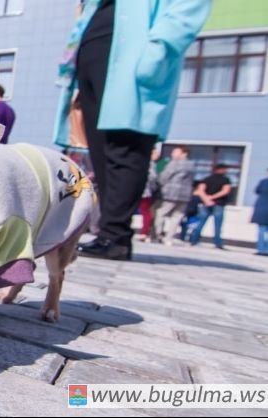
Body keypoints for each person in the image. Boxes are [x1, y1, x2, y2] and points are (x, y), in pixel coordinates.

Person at [53, 0, 211, 260]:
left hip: (135, 55)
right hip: (96, 49)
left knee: (125, 145)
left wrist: (160, 50)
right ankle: (108, 231)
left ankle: (116, 236)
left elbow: (188, 8)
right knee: (101, 147)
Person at [153, 146, 196, 246]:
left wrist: (160, 185)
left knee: (160, 213)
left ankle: (158, 234)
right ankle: (169, 238)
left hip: (171, 193)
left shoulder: (174, 163)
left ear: (184, 154)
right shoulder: (192, 165)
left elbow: (164, 177)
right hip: (185, 194)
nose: (173, 154)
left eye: (176, 152)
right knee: (177, 217)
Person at [190, 164, 233, 249]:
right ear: (221, 169)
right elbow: (225, 191)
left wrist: (206, 199)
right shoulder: (225, 180)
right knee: (218, 224)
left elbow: (200, 190)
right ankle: (218, 243)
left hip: (205, 203)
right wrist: (212, 198)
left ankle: (194, 239)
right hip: (218, 203)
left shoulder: (207, 179)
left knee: (201, 222)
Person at [251, 170, 268, 256]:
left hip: (261, 207)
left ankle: (261, 249)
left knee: (261, 229)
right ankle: (266, 249)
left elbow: (257, 191)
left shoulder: (263, 182)